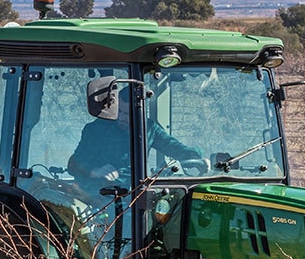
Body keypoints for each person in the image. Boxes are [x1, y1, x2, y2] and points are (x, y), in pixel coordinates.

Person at [68, 76, 205, 183]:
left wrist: (197, 157)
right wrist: (94, 171)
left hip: (135, 193)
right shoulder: (96, 129)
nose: (121, 117)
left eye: (127, 114)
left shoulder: (148, 129)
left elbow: (174, 147)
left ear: (139, 114)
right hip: (99, 192)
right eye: (119, 111)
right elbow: (75, 163)